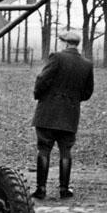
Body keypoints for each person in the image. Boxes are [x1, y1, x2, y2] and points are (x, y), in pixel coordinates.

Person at [31, 29, 94, 199]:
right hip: (70, 113)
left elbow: (42, 79)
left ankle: (41, 189)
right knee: (66, 151)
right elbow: (88, 92)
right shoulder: (87, 64)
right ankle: (64, 189)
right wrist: (73, 100)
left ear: (65, 43)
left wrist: (39, 94)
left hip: (48, 112)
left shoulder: (56, 57)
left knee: (44, 149)